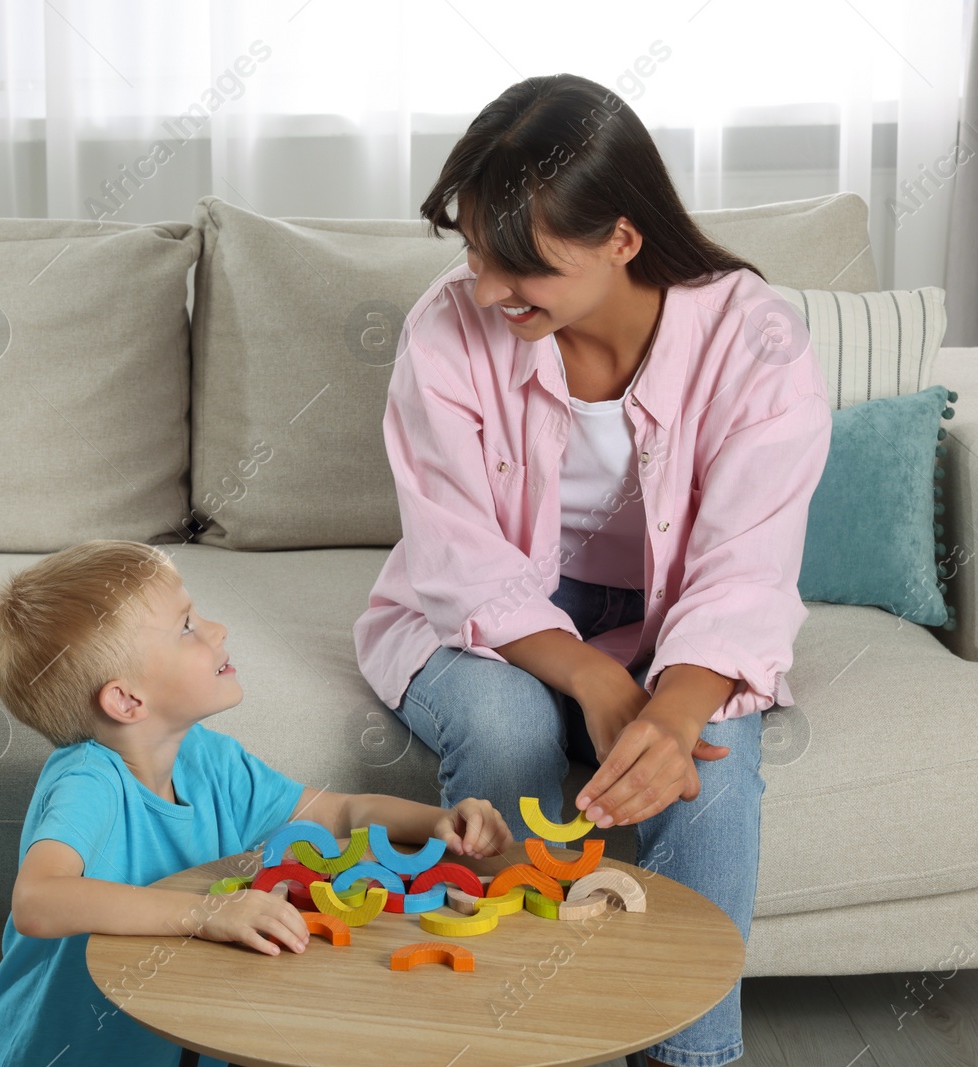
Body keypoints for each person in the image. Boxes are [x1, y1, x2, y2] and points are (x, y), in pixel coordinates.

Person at [353, 73, 832, 1067]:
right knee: (502, 723)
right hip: (498, 613)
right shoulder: (445, 329)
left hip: (683, 616)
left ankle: (689, 1055)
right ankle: (508, 1039)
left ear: (622, 238)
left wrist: (672, 709)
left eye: (522, 265)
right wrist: (590, 673)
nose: (487, 290)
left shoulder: (755, 338)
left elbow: (746, 566)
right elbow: (453, 548)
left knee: (706, 775)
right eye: (477, 251)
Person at [0, 538, 515, 1067]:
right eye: (186, 627)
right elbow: (38, 900)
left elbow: (339, 813)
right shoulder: (88, 781)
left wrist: (438, 819)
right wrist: (207, 913)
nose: (217, 629)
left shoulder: (211, 761)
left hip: (170, 1038)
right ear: (127, 699)